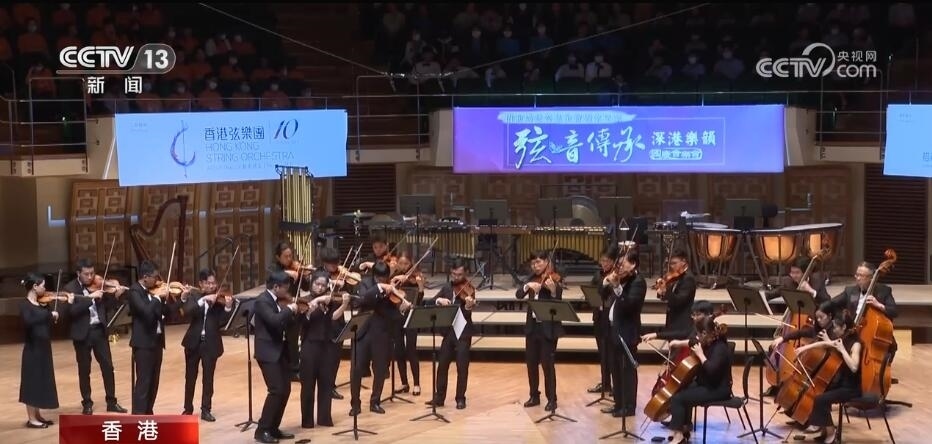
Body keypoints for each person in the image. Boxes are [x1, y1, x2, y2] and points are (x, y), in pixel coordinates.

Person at [61, 258, 128, 414]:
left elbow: (108, 307)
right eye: (86, 274)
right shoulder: (70, 288)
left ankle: (111, 402)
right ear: (78, 273)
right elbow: (71, 312)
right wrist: (91, 298)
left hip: (99, 331)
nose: (90, 277)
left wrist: (116, 296)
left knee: (108, 367)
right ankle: (87, 403)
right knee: (84, 370)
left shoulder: (98, 285)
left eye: (92, 273)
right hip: (82, 334)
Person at [350, 261, 410, 416]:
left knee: (380, 369)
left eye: (385, 279)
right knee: (356, 369)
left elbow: (393, 314)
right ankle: (355, 404)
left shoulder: (392, 288)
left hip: (382, 333)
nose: (383, 281)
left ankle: (375, 401)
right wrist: (379, 288)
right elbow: (360, 301)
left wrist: (402, 309)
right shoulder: (365, 284)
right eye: (379, 279)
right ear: (374, 276)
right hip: (362, 332)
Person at [794, 313, 862, 444]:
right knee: (815, 391)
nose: (834, 330)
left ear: (844, 327)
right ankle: (822, 428)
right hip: (840, 383)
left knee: (820, 399)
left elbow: (854, 367)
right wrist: (804, 348)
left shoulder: (856, 344)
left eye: (836, 327)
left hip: (851, 387)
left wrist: (842, 350)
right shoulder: (842, 338)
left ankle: (831, 433)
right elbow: (824, 344)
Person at [178, 268, 235, 421]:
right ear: (201, 284)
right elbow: (186, 311)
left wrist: (228, 307)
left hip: (210, 343)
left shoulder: (218, 300)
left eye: (213, 283)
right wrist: (202, 300)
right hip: (193, 343)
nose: (212, 286)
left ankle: (206, 409)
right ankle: (187, 408)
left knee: (208, 378)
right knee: (190, 377)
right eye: (208, 283)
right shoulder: (194, 296)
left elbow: (222, 322)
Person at [667, 317, 734, 444]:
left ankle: (678, 436)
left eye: (698, 334)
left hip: (718, 389)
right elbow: (692, 342)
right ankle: (684, 429)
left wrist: (700, 354)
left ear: (704, 333)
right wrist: (677, 343)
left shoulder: (720, 348)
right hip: (707, 384)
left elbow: (712, 370)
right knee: (680, 389)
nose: (696, 337)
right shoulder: (708, 340)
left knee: (678, 399)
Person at [253, 271, 302, 444]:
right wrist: (289, 309)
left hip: (280, 351)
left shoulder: (277, 301)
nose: (287, 292)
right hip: (267, 352)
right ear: (276, 287)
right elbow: (274, 321)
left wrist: (296, 313)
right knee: (276, 390)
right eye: (285, 288)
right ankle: (262, 430)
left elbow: (286, 323)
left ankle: (273, 428)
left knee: (285, 389)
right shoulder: (262, 301)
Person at [298, 272, 350, 428]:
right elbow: (303, 320)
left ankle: (324, 418)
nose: (320, 288)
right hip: (310, 346)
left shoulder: (330, 300)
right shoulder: (305, 300)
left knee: (326, 384)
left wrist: (344, 305)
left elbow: (333, 317)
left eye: (323, 285)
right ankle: (307, 421)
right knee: (308, 386)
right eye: (317, 284)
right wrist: (315, 302)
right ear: (312, 283)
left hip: (327, 346)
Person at [425, 258, 477, 409]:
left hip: (463, 332)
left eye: (459, 275)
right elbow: (428, 303)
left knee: (462, 367)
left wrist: (468, 306)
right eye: (454, 274)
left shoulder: (470, 289)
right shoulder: (446, 288)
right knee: (442, 366)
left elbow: (467, 313)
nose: (456, 277)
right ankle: (439, 398)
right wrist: (439, 301)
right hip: (448, 332)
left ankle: (460, 398)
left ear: (465, 274)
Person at [515, 250, 563, 412]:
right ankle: (534, 396)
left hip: (548, 328)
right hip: (532, 327)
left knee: (547, 365)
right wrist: (527, 286)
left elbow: (558, 300)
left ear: (547, 262)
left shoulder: (553, 279)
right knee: (531, 364)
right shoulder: (530, 279)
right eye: (533, 263)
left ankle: (552, 399)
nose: (535, 266)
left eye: (538, 262)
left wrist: (553, 291)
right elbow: (519, 294)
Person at [19, 273, 66, 428]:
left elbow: (46, 322)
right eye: (43, 286)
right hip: (32, 349)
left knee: (41, 381)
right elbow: (28, 322)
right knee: (32, 382)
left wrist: (52, 316)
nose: (45, 289)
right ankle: (32, 419)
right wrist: (48, 315)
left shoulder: (42, 305)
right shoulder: (25, 305)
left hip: (44, 348)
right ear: (34, 287)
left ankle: (37, 415)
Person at [603, 248, 645, 417]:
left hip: (627, 332)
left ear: (633, 264)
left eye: (622, 264)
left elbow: (630, 306)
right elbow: (602, 294)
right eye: (618, 264)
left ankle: (629, 407)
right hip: (614, 330)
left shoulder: (638, 282)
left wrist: (617, 287)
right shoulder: (620, 279)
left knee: (627, 371)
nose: (618, 267)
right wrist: (606, 282)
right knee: (615, 369)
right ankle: (618, 403)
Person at [127, 260, 174, 415]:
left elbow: (168, 313)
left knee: (154, 381)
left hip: (157, 342)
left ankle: (148, 412)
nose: (157, 280)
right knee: (143, 382)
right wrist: (157, 298)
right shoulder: (134, 291)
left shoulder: (155, 292)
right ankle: (138, 416)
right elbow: (146, 313)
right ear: (145, 277)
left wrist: (172, 299)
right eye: (155, 277)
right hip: (143, 344)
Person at [267, 241, 311, 381]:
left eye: (290, 256)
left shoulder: (296, 267)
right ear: (278, 257)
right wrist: (287, 273)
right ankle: (282, 365)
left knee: (293, 338)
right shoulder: (273, 268)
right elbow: (271, 278)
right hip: (278, 305)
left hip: (293, 305)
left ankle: (295, 368)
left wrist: (304, 276)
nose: (289, 259)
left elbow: (305, 287)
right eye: (286, 256)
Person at [640, 250, 697, 343]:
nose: (671, 266)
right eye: (670, 263)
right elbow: (667, 296)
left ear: (684, 262)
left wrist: (666, 291)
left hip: (681, 322)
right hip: (672, 320)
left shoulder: (688, 279)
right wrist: (662, 292)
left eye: (674, 263)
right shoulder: (676, 276)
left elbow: (678, 301)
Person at [390, 249, 425, 396]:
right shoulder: (394, 277)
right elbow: (388, 293)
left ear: (411, 263)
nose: (403, 266)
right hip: (397, 317)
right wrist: (394, 277)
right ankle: (404, 383)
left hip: (411, 317)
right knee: (398, 350)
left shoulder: (416, 277)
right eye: (401, 263)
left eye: (406, 263)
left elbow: (420, 300)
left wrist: (421, 286)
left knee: (411, 350)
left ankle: (416, 384)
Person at [588, 244, 619, 395]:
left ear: (614, 261)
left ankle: (616, 385)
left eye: (607, 261)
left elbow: (614, 294)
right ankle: (605, 383)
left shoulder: (617, 276)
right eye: (602, 260)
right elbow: (592, 292)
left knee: (612, 353)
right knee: (603, 352)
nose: (604, 264)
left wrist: (608, 282)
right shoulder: (598, 275)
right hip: (599, 317)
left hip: (610, 319)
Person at [765, 256, 830, 304]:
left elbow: (827, 301)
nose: (793, 276)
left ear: (806, 273)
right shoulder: (789, 282)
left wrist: (811, 291)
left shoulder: (817, 280)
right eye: (792, 272)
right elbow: (771, 294)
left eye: (797, 272)